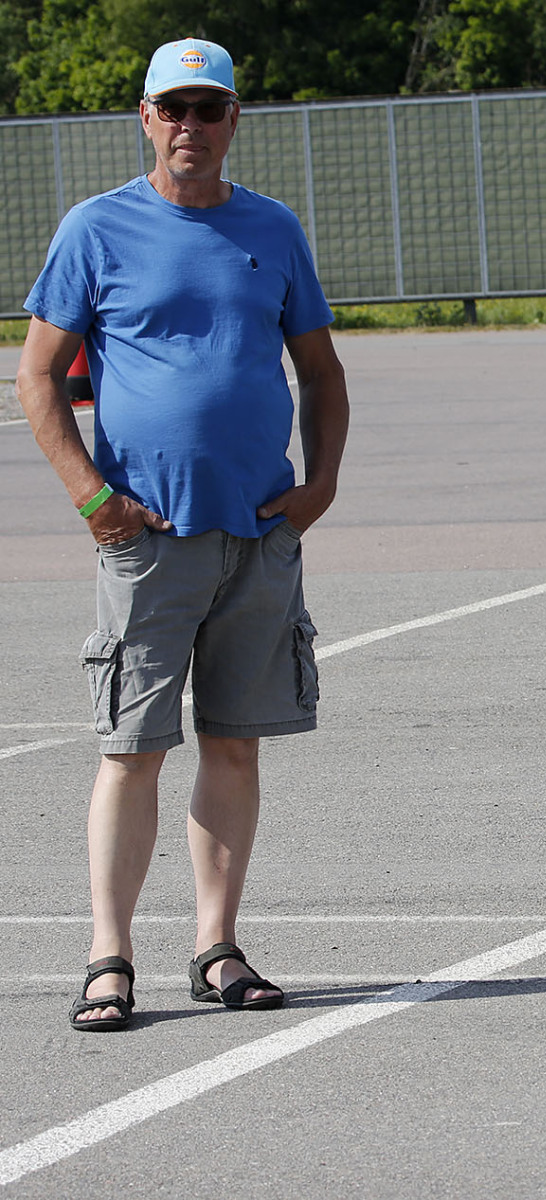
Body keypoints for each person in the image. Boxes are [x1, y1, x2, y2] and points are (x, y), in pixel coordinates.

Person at [17, 37, 349, 1031]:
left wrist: (320, 484)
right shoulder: (97, 228)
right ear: (146, 116)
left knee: (235, 747)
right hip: (147, 538)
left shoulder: (272, 228)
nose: (190, 126)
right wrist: (92, 498)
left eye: (209, 109)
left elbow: (321, 372)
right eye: (174, 108)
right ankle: (108, 958)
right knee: (132, 750)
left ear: (233, 118)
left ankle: (217, 947)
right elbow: (38, 374)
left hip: (257, 535)